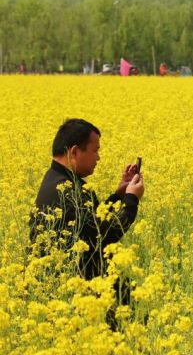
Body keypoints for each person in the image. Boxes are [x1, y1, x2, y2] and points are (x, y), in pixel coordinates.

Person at [29, 119, 144, 327]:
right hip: (82, 303)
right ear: (74, 151)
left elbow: (90, 225)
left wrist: (118, 195)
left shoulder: (57, 181)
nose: (98, 158)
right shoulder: (67, 192)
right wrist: (131, 200)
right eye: (95, 150)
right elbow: (105, 235)